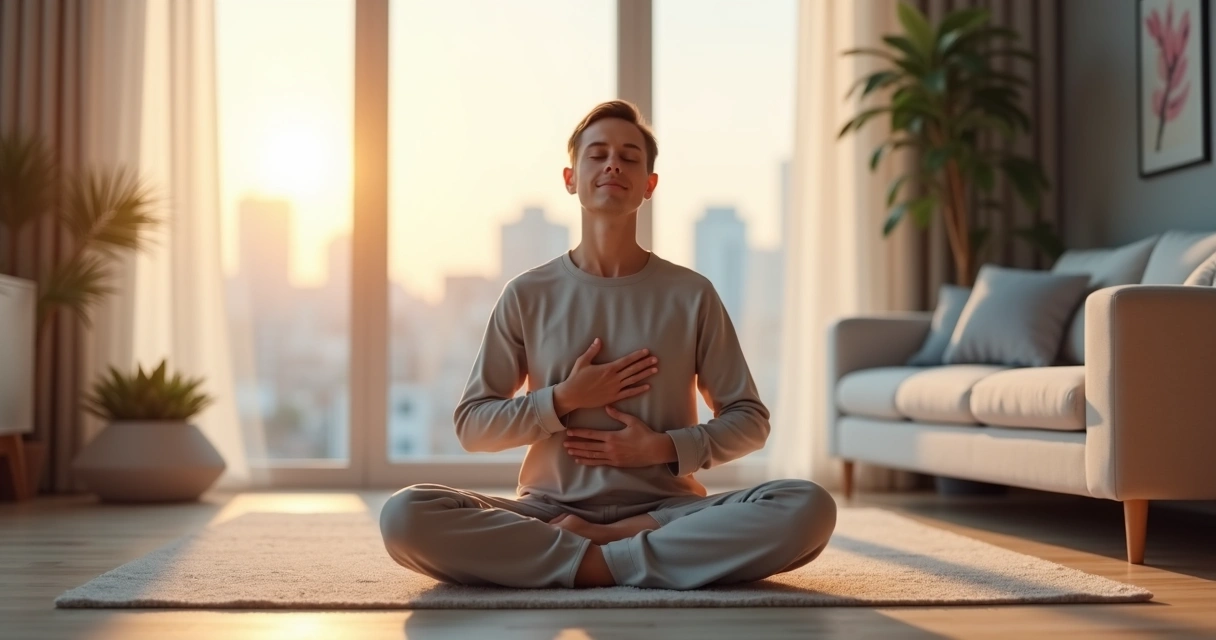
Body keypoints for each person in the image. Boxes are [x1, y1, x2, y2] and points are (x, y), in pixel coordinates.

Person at [379, 100, 837, 590]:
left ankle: (593, 554)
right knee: (405, 515)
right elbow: (474, 427)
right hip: (549, 512)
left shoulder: (691, 294)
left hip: (667, 513)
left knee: (807, 506)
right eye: (597, 155)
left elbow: (749, 420)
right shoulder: (527, 294)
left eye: (629, 157)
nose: (613, 164)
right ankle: (628, 560)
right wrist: (564, 398)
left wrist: (661, 448)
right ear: (571, 178)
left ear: (649, 185)